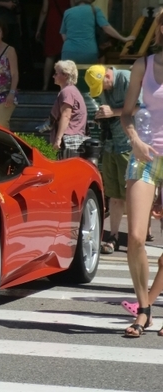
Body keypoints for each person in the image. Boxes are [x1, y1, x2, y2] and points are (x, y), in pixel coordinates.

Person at [120, 11, 163, 337]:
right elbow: (127, 114)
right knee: (135, 236)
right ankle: (143, 308)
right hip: (145, 155)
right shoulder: (143, 65)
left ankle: (148, 305)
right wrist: (134, 141)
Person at [84, 64, 141, 255]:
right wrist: (101, 116)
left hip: (128, 144)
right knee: (114, 195)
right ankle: (114, 236)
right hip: (110, 144)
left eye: (103, 87)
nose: (103, 92)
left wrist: (113, 112)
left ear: (107, 75)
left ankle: (136, 237)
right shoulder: (104, 82)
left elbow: (139, 108)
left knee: (132, 195)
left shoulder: (125, 78)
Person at [60, 0, 133, 65]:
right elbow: (106, 27)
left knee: (67, 78)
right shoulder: (95, 10)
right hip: (88, 51)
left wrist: (72, 45)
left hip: (68, 51)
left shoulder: (67, 12)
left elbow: (63, 33)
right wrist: (123, 38)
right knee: (88, 77)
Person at [48, 60, 87, 159]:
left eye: (56, 73)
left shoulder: (67, 92)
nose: (54, 76)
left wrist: (58, 139)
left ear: (65, 75)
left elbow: (66, 116)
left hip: (68, 141)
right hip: (73, 141)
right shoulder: (72, 90)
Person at [35, 0, 71, 91]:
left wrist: (38, 29)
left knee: (50, 54)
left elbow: (44, 10)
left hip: (52, 23)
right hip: (65, 22)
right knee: (66, 55)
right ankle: (66, 85)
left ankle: (45, 85)